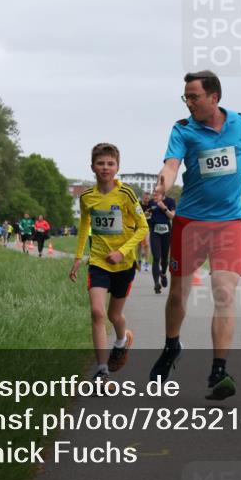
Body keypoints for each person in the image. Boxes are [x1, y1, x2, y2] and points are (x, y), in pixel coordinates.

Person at [149, 70, 241, 401]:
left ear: (214, 97)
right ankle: (171, 346)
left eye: (194, 96)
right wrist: (164, 181)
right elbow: (172, 164)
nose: (188, 102)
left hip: (228, 224)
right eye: (185, 97)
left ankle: (218, 370)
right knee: (178, 295)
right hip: (190, 223)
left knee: (224, 292)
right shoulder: (183, 129)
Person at [69, 143, 149, 390]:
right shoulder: (87, 197)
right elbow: (84, 226)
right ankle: (102, 372)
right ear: (92, 166)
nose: (105, 168)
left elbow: (143, 227)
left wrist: (123, 251)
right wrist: (78, 257)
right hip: (98, 263)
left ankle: (122, 340)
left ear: (117, 167)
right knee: (97, 313)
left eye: (110, 163)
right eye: (101, 163)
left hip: (123, 264)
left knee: (114, 315)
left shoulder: (126, 194)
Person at [144, 190, 176, 293]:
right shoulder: (151, 202)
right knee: (156, 258)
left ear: (163, 195)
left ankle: (163, 273)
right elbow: (147, 216)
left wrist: (164, 208)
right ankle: (156, 284)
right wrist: (147, 215)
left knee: (164, 259)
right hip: (155, 232)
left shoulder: (170, 201)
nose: (154, 196)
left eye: (157, 194)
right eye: (154, 195)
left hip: (166, 233)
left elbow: (172, 216)